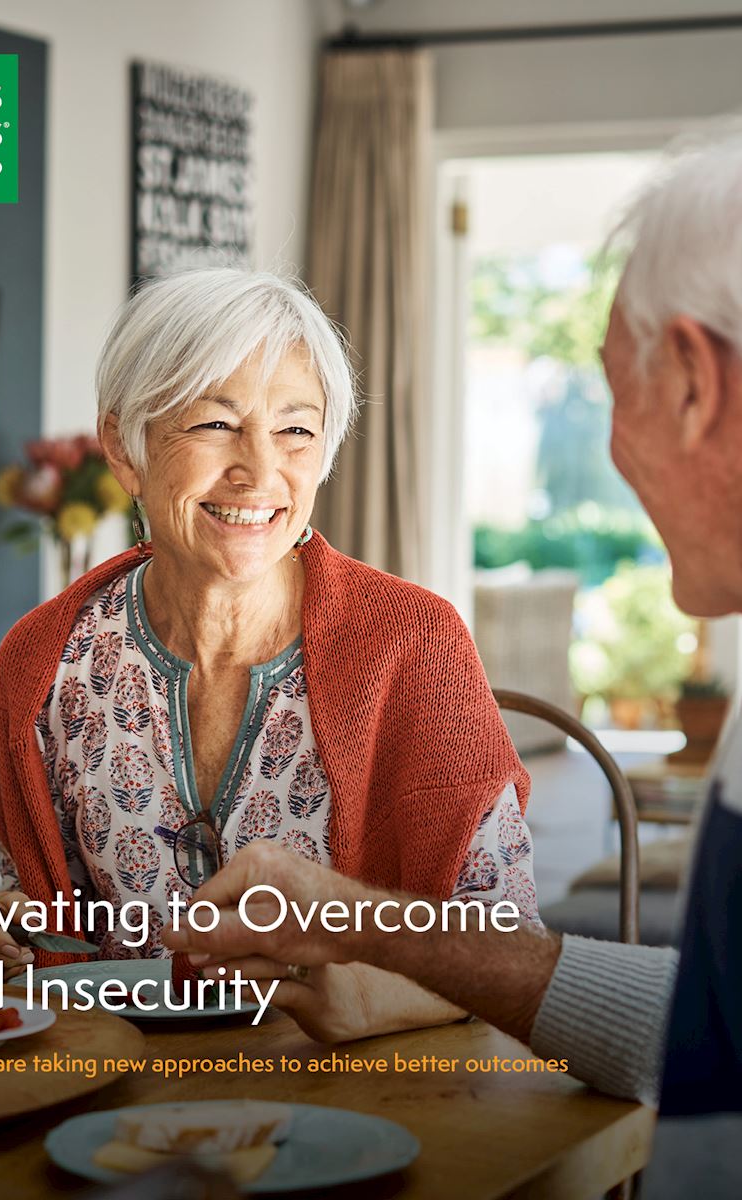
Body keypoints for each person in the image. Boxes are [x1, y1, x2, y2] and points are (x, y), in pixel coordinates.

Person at [164, 126, 742, 1193]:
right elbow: (716, 1027)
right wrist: (364, 925)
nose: (611, 447)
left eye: (617, 384)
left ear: (697, 384)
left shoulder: (410, 634)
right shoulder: (52, 660)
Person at [0, 267, 542, 1043]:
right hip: (113, 1095)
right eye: (215, 424)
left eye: (295, 428)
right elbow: (56, 936)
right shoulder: (44, 663)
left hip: (369, 1096)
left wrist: (371, 996)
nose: (260, 472)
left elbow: (507, 944)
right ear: (126, 450)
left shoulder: (413, 642)